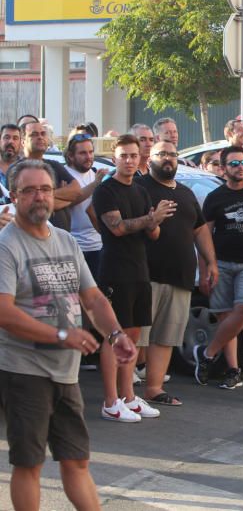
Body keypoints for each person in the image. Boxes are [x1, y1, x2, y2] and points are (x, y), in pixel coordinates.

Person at [0, 159, 137, 511]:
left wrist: (116, 334)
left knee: (76, 460)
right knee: (29, 463)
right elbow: (4, 313)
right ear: (14, 197)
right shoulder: (6, 245)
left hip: (65, 371)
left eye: (45, 189)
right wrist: (63, 335)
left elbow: (92, 298)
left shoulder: (65, 240)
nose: (39, 197)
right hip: (23, 370)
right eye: (29, 191)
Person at [91, 134, 175, 422]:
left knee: (134, 335)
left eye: (133, 155)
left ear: (141, 158)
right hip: (115, 270)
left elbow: (154, 234)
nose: (128, 160)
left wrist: (156, 220)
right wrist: (151, 219)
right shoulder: (106, 191)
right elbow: (117, 227)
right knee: (114, 336)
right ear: (114, 158)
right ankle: (110, 401)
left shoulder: (140, 192)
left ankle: (128, 397)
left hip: (140, 269)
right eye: (123, 155)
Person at [136, 142, 216, 407]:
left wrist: (210, 262)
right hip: (145, 275)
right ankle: (123, 393)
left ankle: (154, 389)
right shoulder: (139, 189)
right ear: (150, 159)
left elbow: (200, 229)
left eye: (172, 154)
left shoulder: (185, 193)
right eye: (162, 155)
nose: (168, 159)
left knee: (166, 337)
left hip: (180, 276)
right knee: (137, 338)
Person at [193, 145, 243, 391]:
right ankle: (234, 370)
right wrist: (205, 270)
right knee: (225, 318)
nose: (240, 167)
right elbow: (203, 236)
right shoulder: (215, 198)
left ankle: (208, 354)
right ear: (223, 169)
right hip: (221, 263)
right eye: (234, 164)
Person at [62, 133, 110, 281]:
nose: (88, 156)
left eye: (90, 152)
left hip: (98, 246)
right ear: (70, 156)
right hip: (74, 247)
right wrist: (95, 184)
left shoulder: (94, 173)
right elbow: (71, 200)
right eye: (83, 153)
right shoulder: (63, 174)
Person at [22, 121, 82, 232]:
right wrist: (64, 196)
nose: (40, 137)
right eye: (34, 134)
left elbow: (76, 191)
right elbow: (27, 206)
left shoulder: (54, 165)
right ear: (23, 142)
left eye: (43, 133)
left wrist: (46, 198)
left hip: (62, 239)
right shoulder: (18, 170)